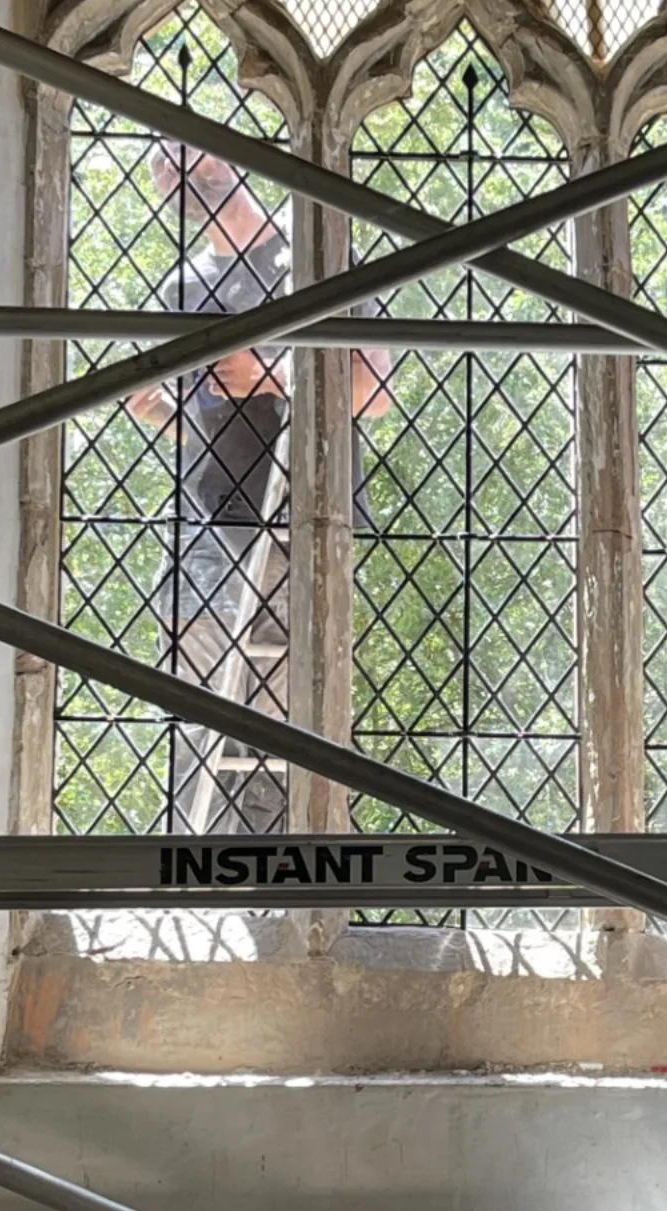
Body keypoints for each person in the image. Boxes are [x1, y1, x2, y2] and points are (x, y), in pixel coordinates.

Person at [124, 146, 388, 831]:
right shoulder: (184, 287)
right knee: (194, 702)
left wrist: (266, 374)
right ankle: (197, 874)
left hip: (293, 519)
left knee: (280, 716)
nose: (182, 176)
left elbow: (373, 389)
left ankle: (280, 887)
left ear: (234, 163)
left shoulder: (314, 261)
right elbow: (198, 420)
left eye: (195, 159)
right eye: (164, 169)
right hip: (206, 518)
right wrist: (156, 405)